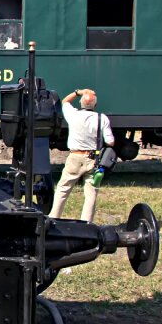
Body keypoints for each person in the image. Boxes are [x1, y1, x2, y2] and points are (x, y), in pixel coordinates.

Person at [49, 88, 114, 223]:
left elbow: (65, 102)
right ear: (95, 105)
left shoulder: (73, 115)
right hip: (93, 159)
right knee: (91, 193)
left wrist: (78, 92)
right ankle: (86, 223)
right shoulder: (102, 119)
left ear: (81, 104)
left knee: (63, 188)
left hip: (75, 157)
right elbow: (110, 141)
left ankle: (53, 218)